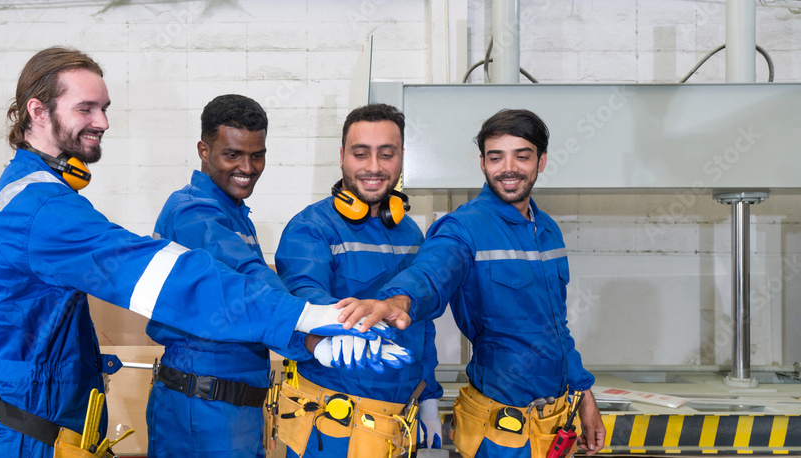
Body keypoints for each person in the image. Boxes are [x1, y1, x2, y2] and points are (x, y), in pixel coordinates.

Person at [0, 47, 408, 458]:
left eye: (105, 108)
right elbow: (168, 277)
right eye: (86, 108)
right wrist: (304, 321)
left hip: (55, 425)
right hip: (38, 434)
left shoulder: (41, 196)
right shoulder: (41, 207)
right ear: (38, 112)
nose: (103, 121)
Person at [378, 109, 606, 458]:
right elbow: (430, 272)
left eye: (522, 156)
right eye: (496, 157)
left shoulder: (547, 230)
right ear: (482, 163)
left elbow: (555, 328)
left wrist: (584, 392)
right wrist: (399, 299)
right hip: (501, 431)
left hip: (555, 424)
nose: (508, 168)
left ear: (541, 161)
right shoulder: (464, 228)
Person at [146, 94, 314, 457]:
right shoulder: (193, 213)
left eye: (258, 154)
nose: (248, 167)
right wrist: (312, 332)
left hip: (233, 406)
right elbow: (247, 276)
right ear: (204, 150)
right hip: (202, 409)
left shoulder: (234, 212)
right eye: (233, 154)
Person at [273, 104, 443, 457]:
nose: (374, 167)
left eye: (387, 154)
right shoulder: (312, 228)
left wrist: (428, 395)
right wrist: (335, 329)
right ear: (342, 157)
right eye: (360, 153)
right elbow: (302, 296)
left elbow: (421, 325)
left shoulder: (411, 232)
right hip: (332, 426)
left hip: (398, 424)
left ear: (401, 158)